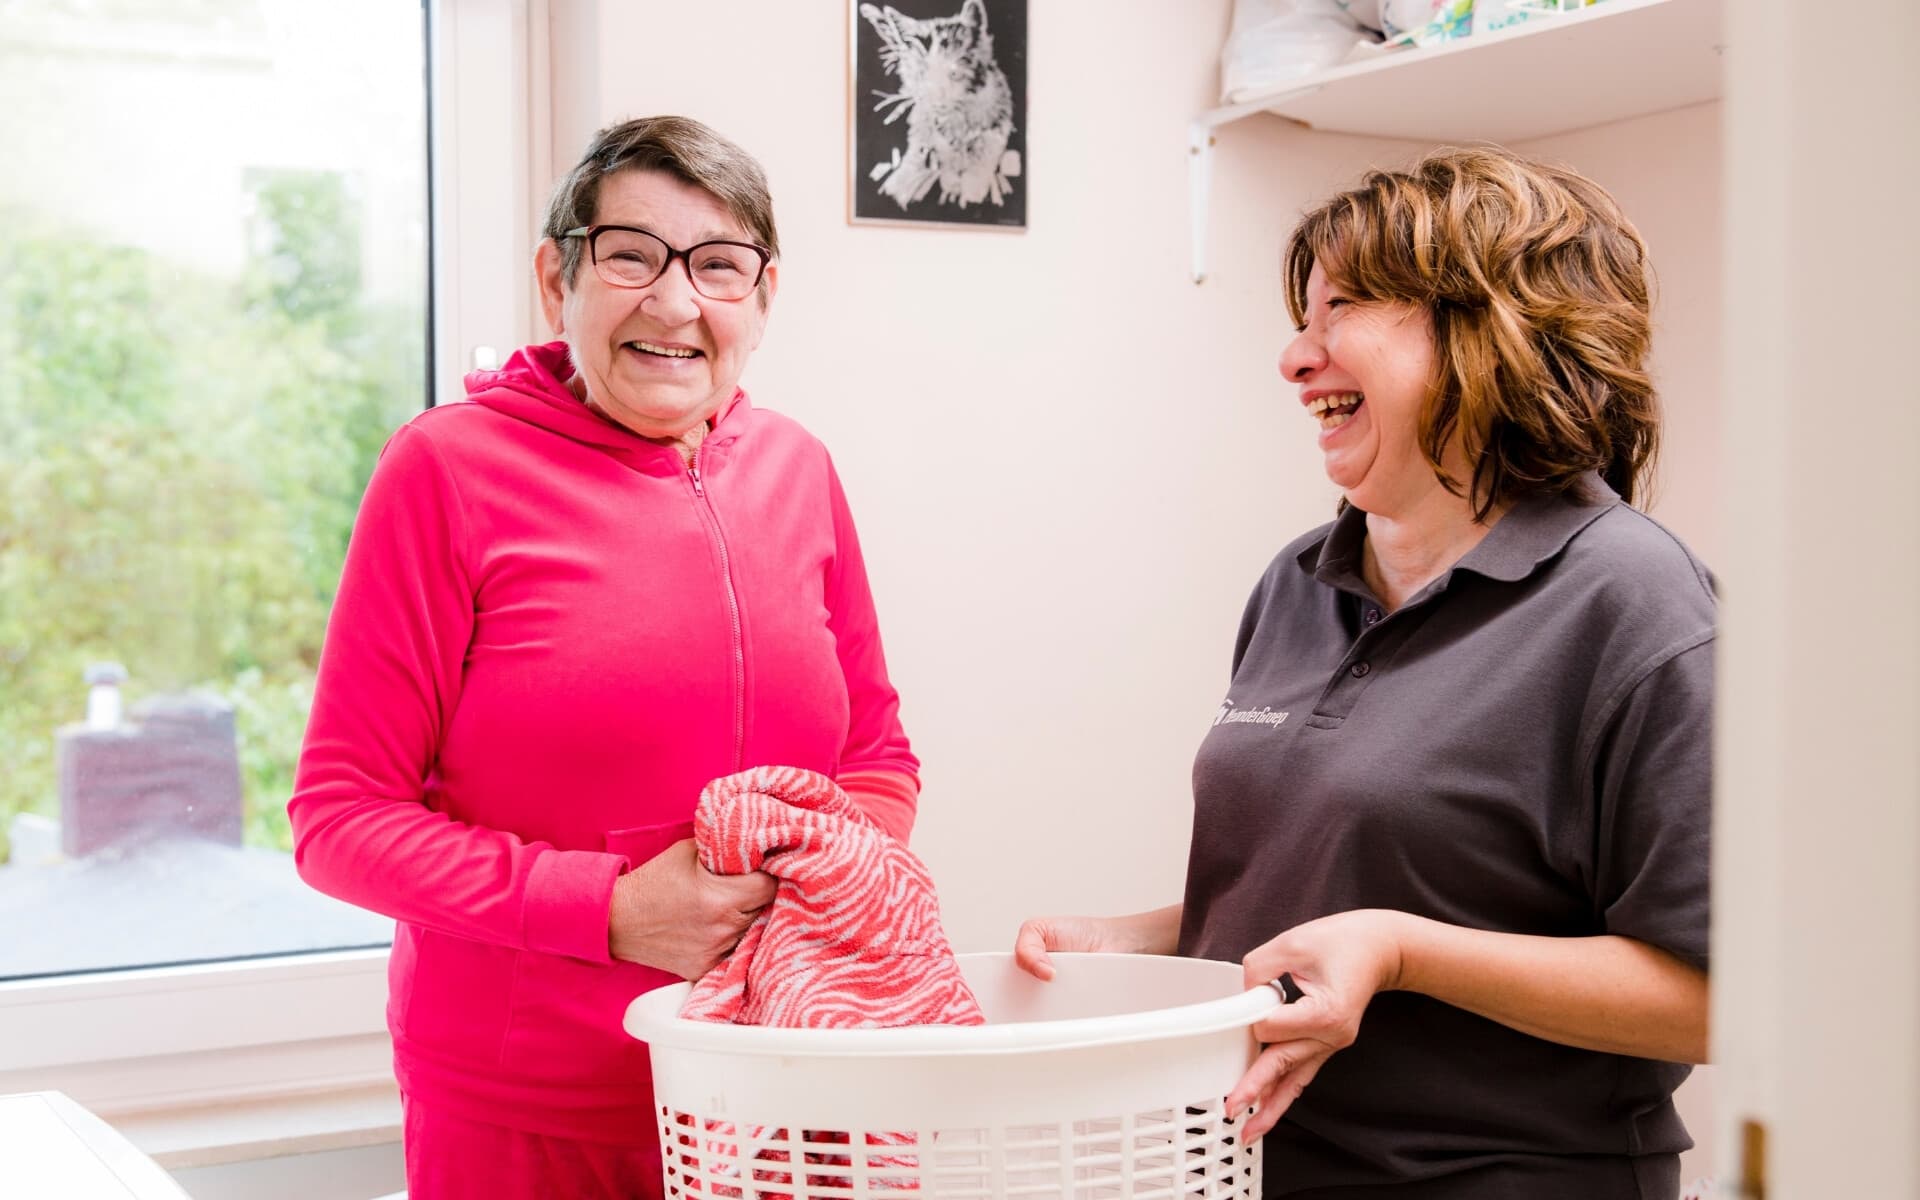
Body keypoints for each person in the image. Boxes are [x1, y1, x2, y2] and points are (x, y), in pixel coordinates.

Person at [1016, 147, 1712, 1199]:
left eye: (1339, 309)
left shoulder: (1634, 600)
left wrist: (1402, 952)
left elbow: (1715, 991)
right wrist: (1140, 944)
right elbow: (1346, 884)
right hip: (1249, 1171)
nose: (1295, 359)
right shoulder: (1300, 580)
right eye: (1302, 318)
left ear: (1490, 331)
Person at [289, 115, 920, 1200]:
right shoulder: (445, 471)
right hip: (532, 1111)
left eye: (719, 266)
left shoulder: (799, 471)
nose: (674, 303)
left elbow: (876, 754)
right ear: (557, 277)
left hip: (788, 1082)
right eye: (632, 254)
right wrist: (609, 908)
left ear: (763, 302)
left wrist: (825, 879)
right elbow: (340, 820)